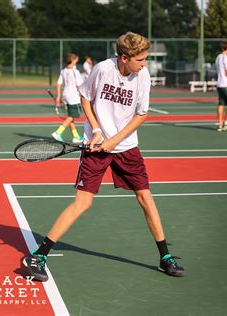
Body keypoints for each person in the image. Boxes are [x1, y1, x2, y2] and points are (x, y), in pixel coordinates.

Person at [23, 32, 186, 282]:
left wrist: (113, 141)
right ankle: (39, 255)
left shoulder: (142, 77)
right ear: (124, 57)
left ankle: (165, 257)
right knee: (83, 203)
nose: (144, 64)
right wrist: (97, 131)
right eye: (140, 59)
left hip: (127, 148)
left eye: (145, 59)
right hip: (96, 148)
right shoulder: (102, 69)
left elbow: (141, 115)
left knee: (145, 197)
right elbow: (85, 99)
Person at [51, 53, 85, 144]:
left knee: (71, 116)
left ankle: (76, 136)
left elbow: (59, 83)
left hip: (65, 95)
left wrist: (58, 96)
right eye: (76, 60)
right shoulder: (75, 72)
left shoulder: (63, 71)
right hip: (73, 96)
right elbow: (80, 85)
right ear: (73, 60)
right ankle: (58, 132)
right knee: (71, 116)